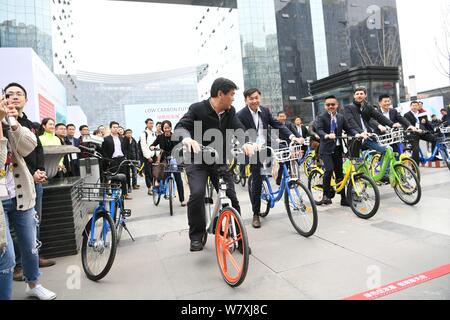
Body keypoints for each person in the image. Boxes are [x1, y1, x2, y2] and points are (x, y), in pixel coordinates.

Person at [175, 77, 255, 252]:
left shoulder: (230, 111)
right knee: (196, 194)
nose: (234, 98)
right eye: (232, 94)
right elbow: (181, 126)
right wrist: (187, 138)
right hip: (197, 160)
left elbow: (238, 127)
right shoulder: (197, 108)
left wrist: (246, 142)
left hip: (219, 160)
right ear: (221, 94)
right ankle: (196, 236)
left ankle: (239, 238)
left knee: (232, 198)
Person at [0, 94, 56, 300]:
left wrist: (12, 123)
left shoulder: (11, 121)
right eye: (7, 96)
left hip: (20, 193)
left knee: (30, 245)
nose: (9, 101)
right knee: (6, 256)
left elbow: (28, 147)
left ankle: (33, 284)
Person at [237, 88, 304, 229]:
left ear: (259, 98)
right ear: (246, 100)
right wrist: (249, 144)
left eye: (256, 97)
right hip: (253, 149)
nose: (254, 101)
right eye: (251, 98)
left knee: (283, 161)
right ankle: (256, 213)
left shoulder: (265, 111)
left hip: (268, 146)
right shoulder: (241, 115)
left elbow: (277, 124)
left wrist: (292, 136)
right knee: (257, 179)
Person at [315, 96, 358, 206]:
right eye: (328, 105)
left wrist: (358, 134)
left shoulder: (340, 117)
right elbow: (319, 130)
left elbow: (349, 129)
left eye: (332, 104)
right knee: (329, 170)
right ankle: (325, 194)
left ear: (337, 105)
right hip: (326, 149)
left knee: (340, 173)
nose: (330, 106)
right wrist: (327, 135)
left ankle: (343, 199)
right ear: (325, 106)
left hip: (338, 149)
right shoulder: (321, 117)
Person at [344, 87, 400, 156]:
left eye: (361, 93)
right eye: (357, 94)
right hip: (356, 138)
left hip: (368, 137)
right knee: (356, 162)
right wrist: (361, 132)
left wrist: (392, 124)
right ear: (354, 96)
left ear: (365, 95)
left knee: (387, 150)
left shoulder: (368, 106)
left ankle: (384, 167)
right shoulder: (349, 107)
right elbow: (351, 121)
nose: (359, 95)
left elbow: (379, 116)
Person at [150, 120, 186, 207]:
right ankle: (159, 186)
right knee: (162, 175)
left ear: (171, 128)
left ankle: (182, 200)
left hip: (175, 159)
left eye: (168, 128)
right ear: (162, 128)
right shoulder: (160, 137)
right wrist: (152, 147)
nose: (167, 129)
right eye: (165, 128)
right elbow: (152, 145)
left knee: (178, 180)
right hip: (164, 159)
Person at [101, 121, 132, 200]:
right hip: (112, 160)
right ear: (110, 128)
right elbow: (103, 151)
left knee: (124, 177)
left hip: (122, 159)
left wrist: (126, 157)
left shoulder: (122, 138)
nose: (116, 129)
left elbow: (127, 149)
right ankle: (114, 195)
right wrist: (108, 160)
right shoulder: (106, 139)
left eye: (117, 127)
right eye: (114, 127)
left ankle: (125, 194)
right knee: (114, 177)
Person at [140, 119, 158, 195]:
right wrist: (148, 156)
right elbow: (143, 146)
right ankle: (149, 188)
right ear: (146, 124)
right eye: (150, 123)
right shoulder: (144, 133)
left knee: (154, 172)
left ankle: (153, 186)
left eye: (152, 123)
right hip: (148, 156)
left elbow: (156, 145)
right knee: (148, 173)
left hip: (154, 155)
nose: (151, 125)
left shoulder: (154, 133)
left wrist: (157, 155)